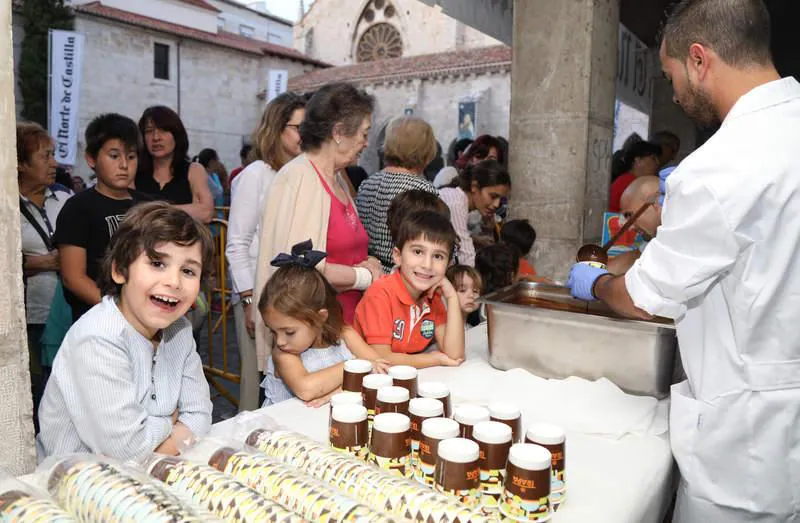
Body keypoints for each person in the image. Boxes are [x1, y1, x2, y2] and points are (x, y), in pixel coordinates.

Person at [567, 0, 800, 520]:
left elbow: (640, 299)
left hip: (744, 447)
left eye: (671, 75)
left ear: (700, 60)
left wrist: (597, 282)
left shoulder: (718, 168)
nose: (673, 93)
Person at [38, 202, 214, 460]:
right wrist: (171, 420)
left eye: (188, 271)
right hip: (80, 483)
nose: (174, 282)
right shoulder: (98, 338)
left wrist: (153, 438)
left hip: (150, 472)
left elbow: (200, 416)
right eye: (157, 263)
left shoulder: (180, 331)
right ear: (120, 271)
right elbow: (126, 450)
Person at [253, 83, 380, 373]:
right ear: (338, 133)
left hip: (341, 328)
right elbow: (302, 274)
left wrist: (366, 262)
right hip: (314, 344)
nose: (366, 142)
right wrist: (364, 277)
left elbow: (341, 249)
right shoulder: (301, 180)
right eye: (363, 133)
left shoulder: (337, 179)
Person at [225, 91, 306, 411]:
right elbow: (237, 243)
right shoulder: (255, 174)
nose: (306, 135)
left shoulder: (302, 174)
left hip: (293, 296)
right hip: (256, 295)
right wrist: (247, 299)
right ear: (276, 128)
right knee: (255, 387)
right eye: (299, 127)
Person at [258, 241, 388, 407]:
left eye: (289, 332)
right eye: (273, 332)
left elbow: (381, 370)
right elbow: (306, 389)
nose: (280, 341)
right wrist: (356, 367)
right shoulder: (284, 355)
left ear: (320, 318)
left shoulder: (344, 333)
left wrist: (340, 391)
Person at [56, 113, 151, 323]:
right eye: (114, 156)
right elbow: (73, 277)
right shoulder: (78, 207)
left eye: (132, 156)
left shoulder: (149, 206)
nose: (124, 165)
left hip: (147, 317)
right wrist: (121, 311)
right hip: (97, 320)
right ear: (91, 159)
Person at [353, 210, 464, 369]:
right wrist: (433, 359)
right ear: (398, 256)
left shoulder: (432, 298)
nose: (427, 265)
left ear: (448, 264)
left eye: (438, 256)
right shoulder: (380, 294)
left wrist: (452, 297)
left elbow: (455, 355)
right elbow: (382, 357)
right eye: (418, 252)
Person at [17, 122, 71, 420]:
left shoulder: (65, 199)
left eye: (54, 155)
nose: (54, 164)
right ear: (21, 164)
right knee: (39, 393)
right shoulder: (6, 206)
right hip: (33, 316)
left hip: (71, 312)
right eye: (45, 157)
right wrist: (40, 263)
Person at [356, 117, 439, 273]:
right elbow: (436, 244)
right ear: (426, 149)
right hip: (403, 280)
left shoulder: (367, 184)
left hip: (368, 275)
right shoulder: (424, 191)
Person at [135, 106, 214, 223]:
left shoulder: (194, 170)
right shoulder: (134, 171)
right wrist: (188, 209)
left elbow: (206, 213)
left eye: (163, 130)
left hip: (182, 239)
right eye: (149, 131)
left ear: (176, 135)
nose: (156, 137)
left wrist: (154, 212)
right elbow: (128, 213)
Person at [439, 159, 511, 266]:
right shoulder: (457, 202)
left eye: (501, 199)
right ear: (474, 187)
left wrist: (475, 239)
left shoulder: (457, 198)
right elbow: (466, 259)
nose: (497, 204)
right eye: (493, 196)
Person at [606, 175, 662, 275]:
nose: (630, 227)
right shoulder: (657, 235)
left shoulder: (681, 235)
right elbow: (637, 256)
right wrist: (599, 273)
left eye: (630, 215)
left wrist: (597, 282)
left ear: (656, 202)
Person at [607, 140, 661, 212]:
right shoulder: (628, 182)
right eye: (653, 158)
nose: (658, 163)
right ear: (638, 160)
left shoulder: (632, 180)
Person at [433, 135, 501, 189]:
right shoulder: (450, 174)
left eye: (491, 158)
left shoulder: (495, 187)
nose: (485, 162)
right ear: (471, 158)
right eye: (481, 156)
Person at [446, 265, 482, 329]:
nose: (471, 295)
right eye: (462, 290)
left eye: (475, 291)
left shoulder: (473, 330)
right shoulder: (442, 330)